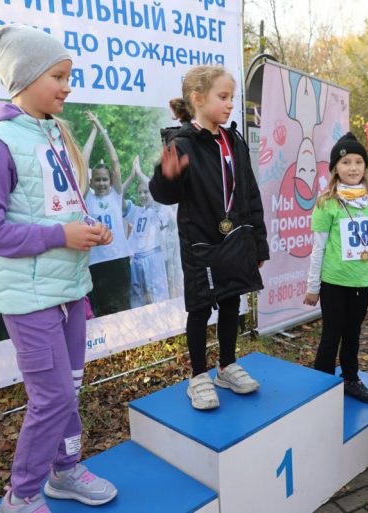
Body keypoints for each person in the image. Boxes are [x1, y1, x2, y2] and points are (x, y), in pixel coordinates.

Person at [0, 24, 117, 513]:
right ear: (24, 78)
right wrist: (61, 236)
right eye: (58, 75)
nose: (68, 85)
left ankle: (65, 471)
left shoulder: (54, 131)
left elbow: (55, 210)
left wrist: (88, 228)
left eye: (68, 74)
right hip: (29, 300)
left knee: (68, 391)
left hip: (70, 288)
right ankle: (22, 497)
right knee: (51, 399)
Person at [150, 65, 269, 410]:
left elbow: (250, 196)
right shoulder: (182, 142)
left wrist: (257, 241)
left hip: (236, 239)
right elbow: (164, 194)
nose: (230, 104)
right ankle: (198, 375)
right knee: (201, 308)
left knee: (232, 300)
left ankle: (226, 366)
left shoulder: (234, 140)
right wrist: (166, 177)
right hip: (200, 243)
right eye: (223, 97)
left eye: (231, 97)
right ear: (198, 99)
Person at [303, 133, 368, 403]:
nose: (353, 168)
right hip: (333, 281)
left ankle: (350, 379)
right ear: (335, 169)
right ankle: (321, 386)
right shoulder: (326, 202)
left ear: (365, 168)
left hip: (361, 282)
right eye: (346, 162)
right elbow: (318, 249)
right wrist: (312, 287)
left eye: (358, 162)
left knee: (353, 335)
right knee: (331, 335)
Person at [83, 111, 133, 317]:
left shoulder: (115, 195)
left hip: (119, 259)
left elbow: (114, 160)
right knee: (102, 313)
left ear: (110, 181)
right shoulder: (87, 199)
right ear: (91, 182)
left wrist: (102, 129)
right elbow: (83, 160)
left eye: (105, 179)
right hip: (96, 263)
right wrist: (93, 132)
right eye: (98, 180)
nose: (102, 183)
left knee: (122, 311)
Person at [125, 156, 171, 307]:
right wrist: (131, 177)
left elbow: (156, 192)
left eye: (146, 192)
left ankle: (165, 323)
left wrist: (140, 173)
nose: (143, 195)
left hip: (153, 256)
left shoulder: (158, 208)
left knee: (158, 293)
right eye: (140, 193)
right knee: (136, 294)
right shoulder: (137, 211)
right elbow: (118, 201)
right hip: (137, 259)